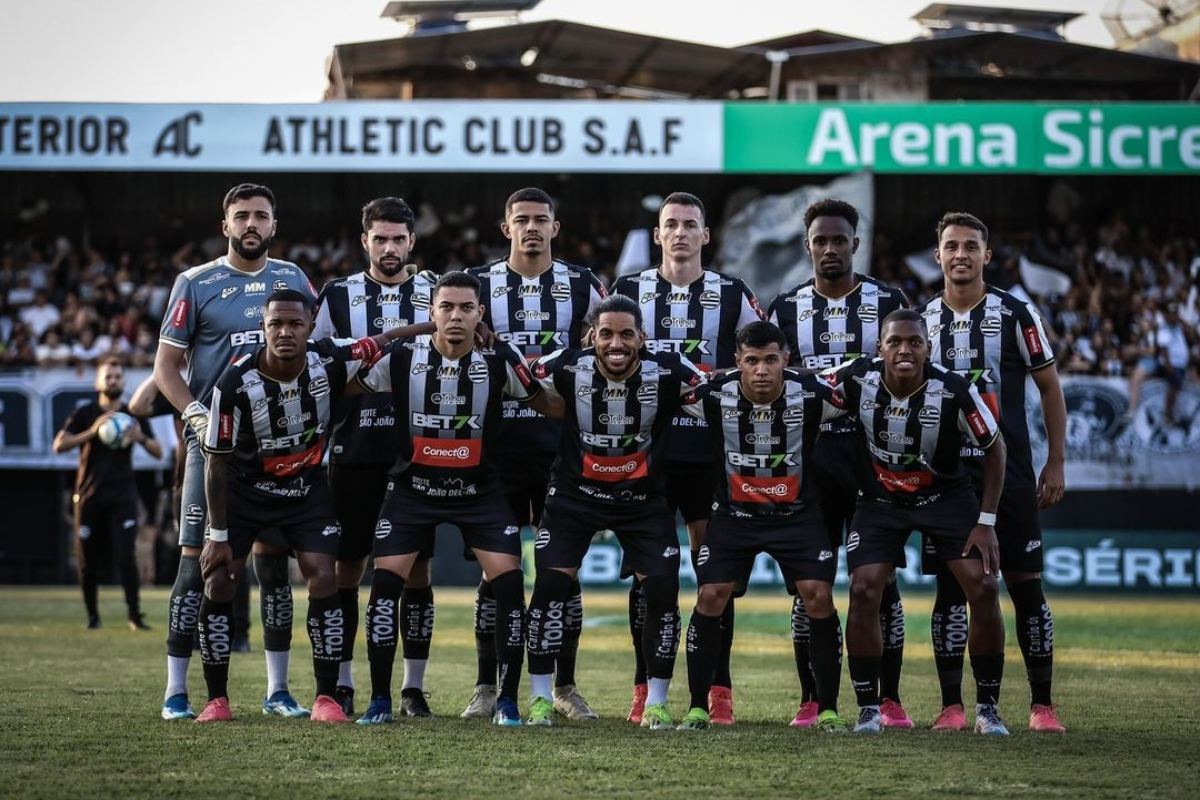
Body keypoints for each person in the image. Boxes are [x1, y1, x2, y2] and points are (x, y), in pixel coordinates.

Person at [194, 288, 421, 723]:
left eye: (295, 323)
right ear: (262, 328)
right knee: (220, 581)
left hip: (306, 489)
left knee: (325, 576)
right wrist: (218, 535)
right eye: (275, 323)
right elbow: (216, 464)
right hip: (244, 492)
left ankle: (325, 698)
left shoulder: (330, 356)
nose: (285, 332)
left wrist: (436, 327)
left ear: (310, 326)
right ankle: (216, 700)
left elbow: (389, 337)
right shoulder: (233, 383)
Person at [354, 271, 554, 727]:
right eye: (447, 307)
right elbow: (349, 386)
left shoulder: (501, 357)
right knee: (385, 584)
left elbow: (549, 405)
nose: (456, 316)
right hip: (412, 491)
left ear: (480, 314)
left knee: (508, 583)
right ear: (431, 313)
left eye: (466, 308)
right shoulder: (402, 357)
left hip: (479, 493)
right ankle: (380, 700)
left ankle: (505, 701)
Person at [154, 184, 317, 721]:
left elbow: (319, 352)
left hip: (279, 445)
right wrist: (194, 414)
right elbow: (166, 370)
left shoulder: (293, 279)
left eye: (261, 216)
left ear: (274, 224)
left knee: (273, 571)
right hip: (216, 446)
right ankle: (177, 692)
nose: (252, 224)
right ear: (226, 224)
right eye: (242, 216)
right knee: (196, 568)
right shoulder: (195, 283)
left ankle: (277, 692)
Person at [612, 192, 762, 725]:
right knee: (647, 579)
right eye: (670, 225)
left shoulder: (733, 294)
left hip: (710, 454)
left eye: (689, 225)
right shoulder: (627, 292)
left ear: (705, 235)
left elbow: (758, 359)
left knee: (712, 574)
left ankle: (717, 688)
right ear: (657, 235)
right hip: (647, 455)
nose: (679, 233)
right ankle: (641, 688)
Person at [824, 309, 1010, 736]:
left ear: (928, 348)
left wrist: (986, 521)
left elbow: (995, 447)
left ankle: (988, 707)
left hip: (944, 498)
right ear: (880, 347)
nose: (904, 350)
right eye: (895, 342)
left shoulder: (954, 390)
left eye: (914, 342)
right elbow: (800, 383)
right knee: (864, 587)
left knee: (982, 587)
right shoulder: (856, 377)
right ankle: (869, 708)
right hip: (879, 500)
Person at [523, 294, 705, 729]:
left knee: (661, 591)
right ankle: (539, 699)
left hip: (641, 501)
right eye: (606, 334)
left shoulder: (670, 372)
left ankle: (656, 703)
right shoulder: (566, 365)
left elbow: (716, 391)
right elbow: (526, 382)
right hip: (573, 496)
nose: (616, 343)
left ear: (642, 338)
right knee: (549, 585)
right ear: (592, 337)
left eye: (627, 334)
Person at [918, 212, 1068, 734]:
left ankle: (1042, 706)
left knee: (1027, 587)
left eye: (971, 246)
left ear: (987, 254)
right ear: (937, 256)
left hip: (1014, 473)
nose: (961, 254)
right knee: (951, 591)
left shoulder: (1014, 312)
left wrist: (1055, 460)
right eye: (951, 246)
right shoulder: (921, 323)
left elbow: (1050, 387)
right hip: (947, 479)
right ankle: (952, 706)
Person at [767, 198, 913, 728]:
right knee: (811, 585)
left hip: (875, 460)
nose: (830, 249)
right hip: (809, 464)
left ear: (856, 242)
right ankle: (813, 696)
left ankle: (889, 698)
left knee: (881, 583)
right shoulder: (784, 308)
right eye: (820, 240)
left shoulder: (889, 300)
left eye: (839, 240)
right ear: (808, 246)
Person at [464, 187, 606, 721]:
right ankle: (486, 687)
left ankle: (564, 688)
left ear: (555, 227)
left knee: (560, 572)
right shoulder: (477, 285)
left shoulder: (583, 284)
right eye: (521, 220)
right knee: (493, 574)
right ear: (506, 229)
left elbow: (613, 339)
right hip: (494, 449)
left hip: (558, 450)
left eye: (540, 220)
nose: (530, 228)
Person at [675, 321, 848, 732]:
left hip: (798, 516)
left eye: (771, 360)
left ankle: (827, 709)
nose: (762, 370)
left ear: (786, 360)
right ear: (737, 362)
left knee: (818, 596)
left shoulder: (815, 396)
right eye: (751, 361)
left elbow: (861, 386)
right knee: (712, 594)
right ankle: (699, 707)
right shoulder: (712, 395)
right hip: (735, 517)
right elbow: (665, 387)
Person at [312, 197, 438, 718]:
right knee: (348, 567)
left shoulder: (434, 292)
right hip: (355, 447)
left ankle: (411, 688)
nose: (389, 249)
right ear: (364, 240)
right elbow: (316, 359)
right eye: (379, 239)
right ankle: (341, 682)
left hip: (419, 450)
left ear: (412, 242)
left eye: (399, 240)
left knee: (417, 571)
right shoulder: (337, 294)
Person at [54, 358, 163, 630]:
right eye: (108, 376)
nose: (112, 381)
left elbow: (159, 451)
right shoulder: (86, 412)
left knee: (126, 557)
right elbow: (59, 444)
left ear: (124, 382)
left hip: (123, 495)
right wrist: (92, 432)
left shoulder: (132, 414)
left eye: (117, 376)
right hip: (89, 495)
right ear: (98, 382)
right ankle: (92, 617)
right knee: (86, 560)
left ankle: (134, 616)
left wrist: (140, 438)